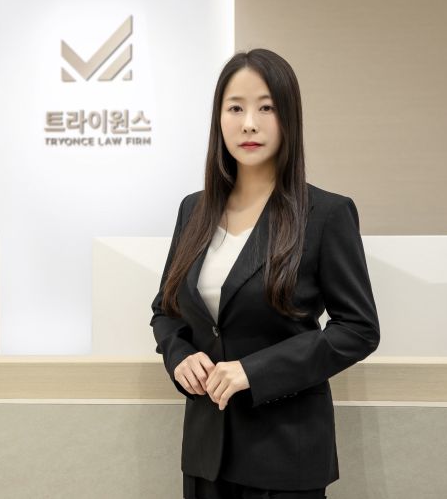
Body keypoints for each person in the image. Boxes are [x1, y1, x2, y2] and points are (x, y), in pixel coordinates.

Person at [149, 48, 380, 499]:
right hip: (206, 453)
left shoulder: (325, 214)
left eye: (266, 108)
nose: (249, 124)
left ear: (288, 117)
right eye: (235, 108)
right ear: (218, 119)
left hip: (285, 454)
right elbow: (166, 310)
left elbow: (358, 329)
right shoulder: (194, 210)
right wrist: (180, 356)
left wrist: (253, 371)